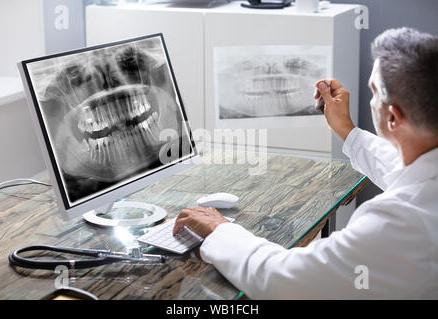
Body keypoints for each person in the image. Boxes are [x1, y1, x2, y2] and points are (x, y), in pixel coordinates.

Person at [173, 27, 438, 299]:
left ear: (393, 118)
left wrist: (220, 231)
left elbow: (281, 280)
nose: (371, 101)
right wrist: (347, 130)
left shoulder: (400, 223)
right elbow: (408, 172)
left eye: (374, 93)